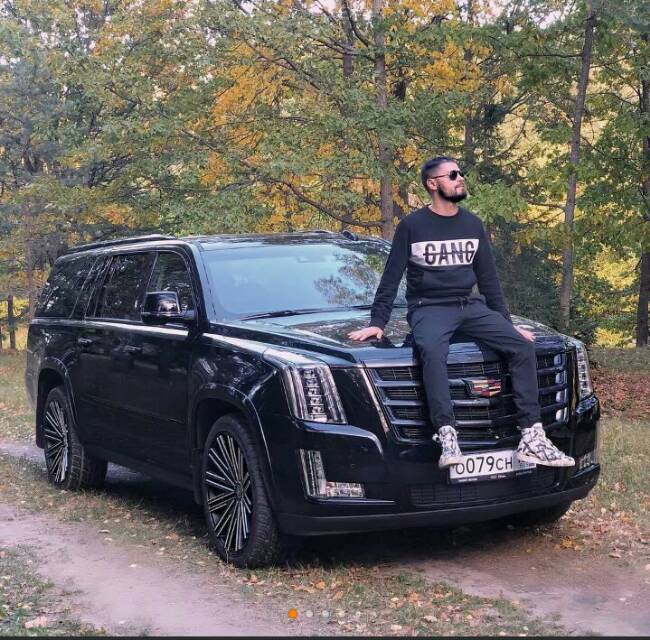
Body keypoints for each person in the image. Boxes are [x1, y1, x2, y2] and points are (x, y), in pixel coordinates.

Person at [347, 156, 575, 470]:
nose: (460, 178)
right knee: (431, 350)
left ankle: (532, 437)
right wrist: (378, 322)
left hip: (470, 306)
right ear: (432, 184)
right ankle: (447, 434)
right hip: (429, 308)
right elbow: (391, 276)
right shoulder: (412, 226)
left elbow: (489, 280)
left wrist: (507, 325)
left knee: (521, 346)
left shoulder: (472, 224)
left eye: (460, 173)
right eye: (452, 174)